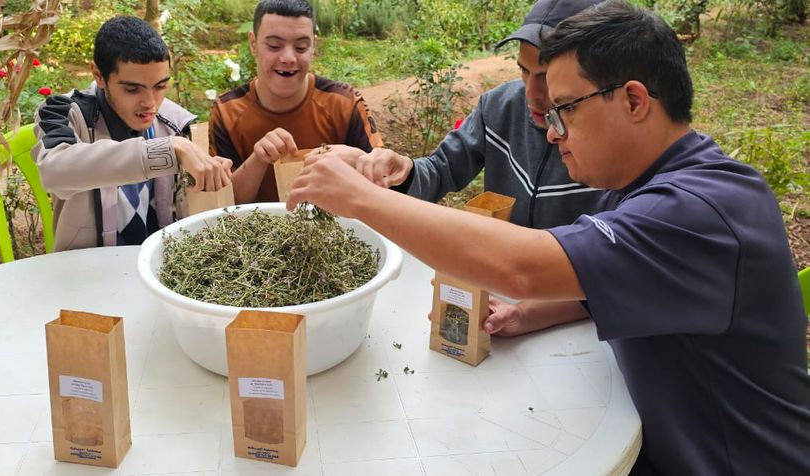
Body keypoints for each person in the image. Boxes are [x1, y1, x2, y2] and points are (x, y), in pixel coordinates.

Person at [286, 1, 810, 473]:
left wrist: (361, 198)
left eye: (565, 110)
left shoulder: (697, 211)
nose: (552, 129)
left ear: (633, 100)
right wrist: (531, 312)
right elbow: (616, 281)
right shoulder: (641, 182)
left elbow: (526, 267)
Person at [336, 0, 604, 229]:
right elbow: (441, 170)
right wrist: (404, 171)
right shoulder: (498, 106)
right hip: (496, 277)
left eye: (546, 78)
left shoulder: (611, 143)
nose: (531, 93)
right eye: (524, 71)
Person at [34, 16, 232, 252]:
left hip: (158, 267)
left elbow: (184, 216)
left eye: (160, 86)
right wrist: (163, 151)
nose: (150, 103)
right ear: (98, 75)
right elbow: (55, 172)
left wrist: (204, 181)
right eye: (132, 89)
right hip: (87, 273)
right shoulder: (62, 112)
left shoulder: (175, 122)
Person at [208, 0, 383, 204]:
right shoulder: (226, 111)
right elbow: (224, 205)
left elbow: (384, 181)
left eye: (300, 47)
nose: (288, 58)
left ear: (314, 46)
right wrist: (258, 160)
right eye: (274, 46)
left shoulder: (345, 103)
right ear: (253, 44)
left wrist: (357, 160)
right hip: (258, 231)